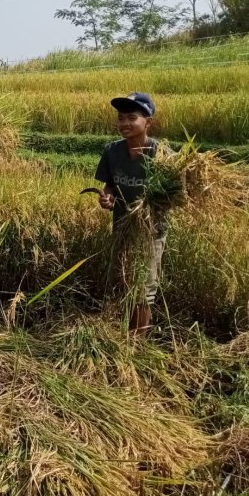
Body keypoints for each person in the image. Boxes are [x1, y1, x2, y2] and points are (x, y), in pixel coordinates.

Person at [94, 92, 167, 334]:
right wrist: (107, 198)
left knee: (143, 290)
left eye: (132, 118)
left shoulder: (162, 156)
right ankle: (121, 335)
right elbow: (110, 185)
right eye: (121, 118)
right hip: (122, 228)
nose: (124, 123)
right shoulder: (112, 151)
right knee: (122, 282)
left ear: (148, 122)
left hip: (150, 232)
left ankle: (136, 344)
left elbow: (175, 196)